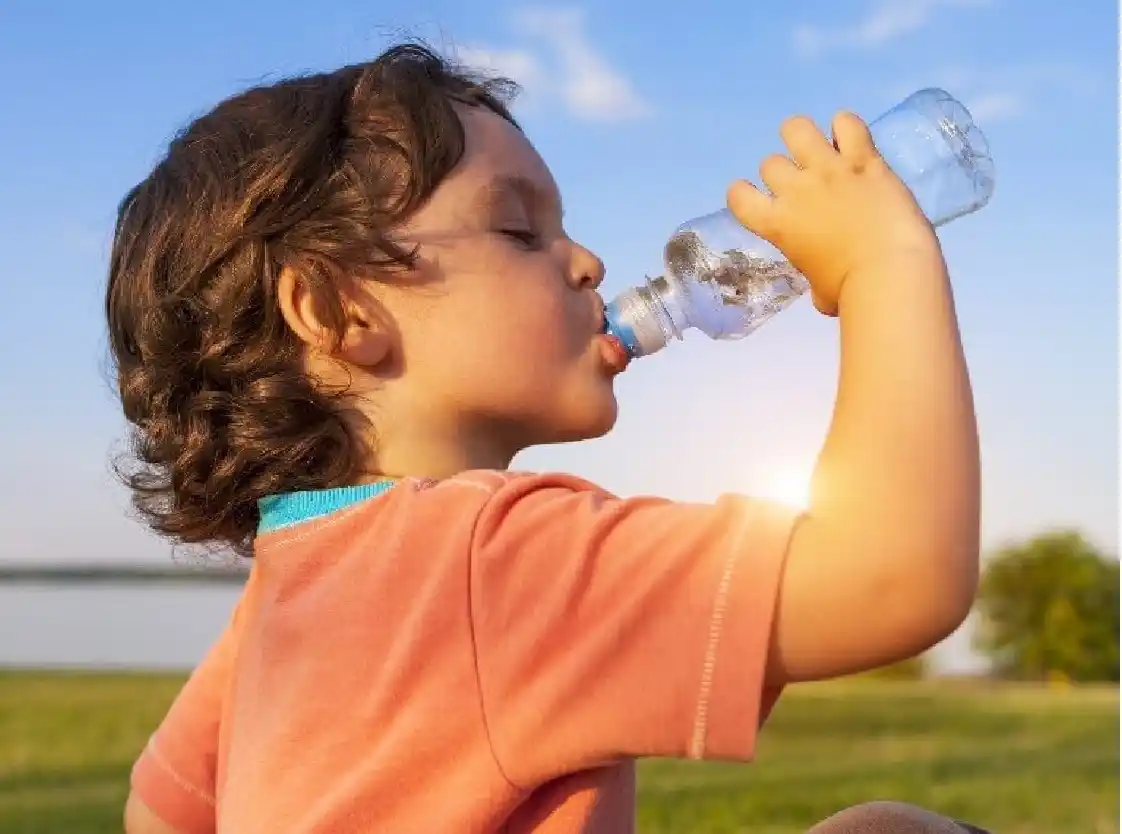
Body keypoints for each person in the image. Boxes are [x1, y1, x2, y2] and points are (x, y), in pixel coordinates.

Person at [109, 43, 988, 834]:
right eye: (519, 230)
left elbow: (160, 812)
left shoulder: (286, 591)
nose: (587, 262)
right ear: (337, 311)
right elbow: (895, 574)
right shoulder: (490, 563)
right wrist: (885, 264)